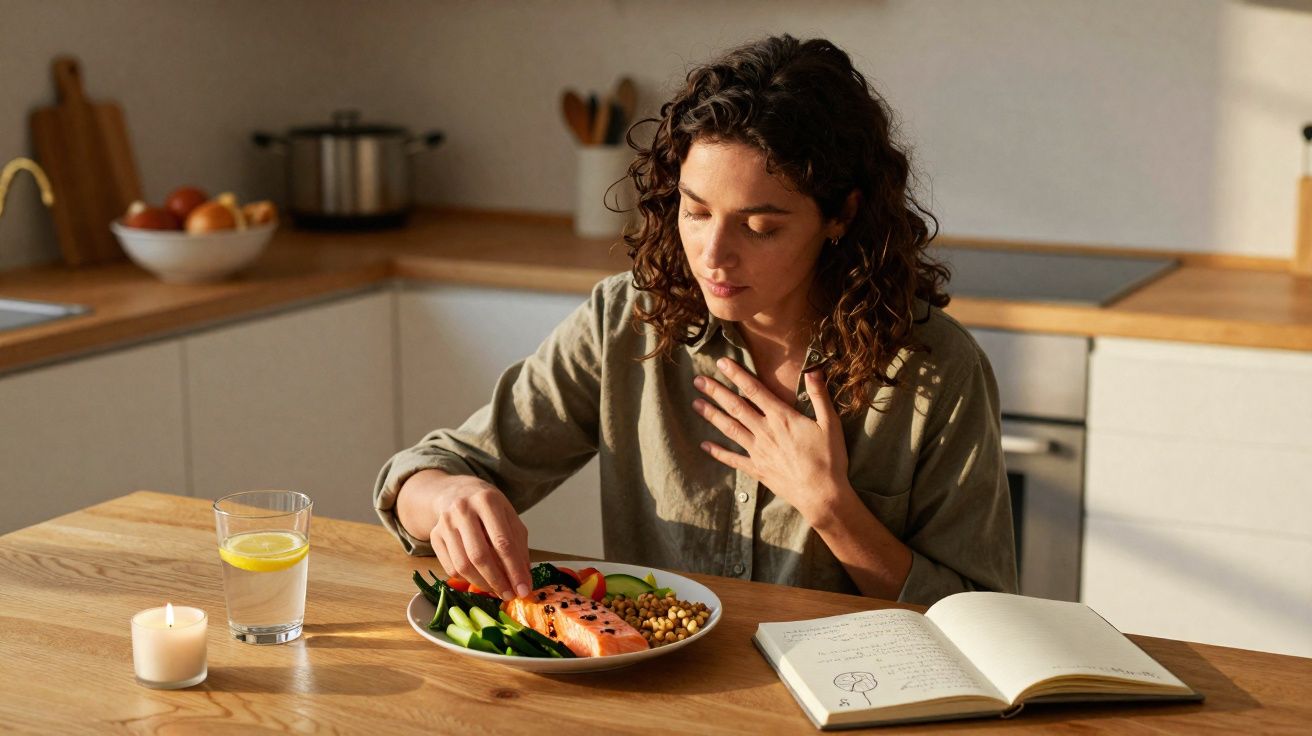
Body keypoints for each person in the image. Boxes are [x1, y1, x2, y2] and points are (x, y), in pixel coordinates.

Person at [373, 34, 1017, 606]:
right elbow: (425, 472)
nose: (713, 255)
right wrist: (449, 499)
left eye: (760, 226)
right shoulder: (626, 318)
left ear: (841, 216)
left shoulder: (934, 369)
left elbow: (986, 618)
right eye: (696, 210)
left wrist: (833, 508)